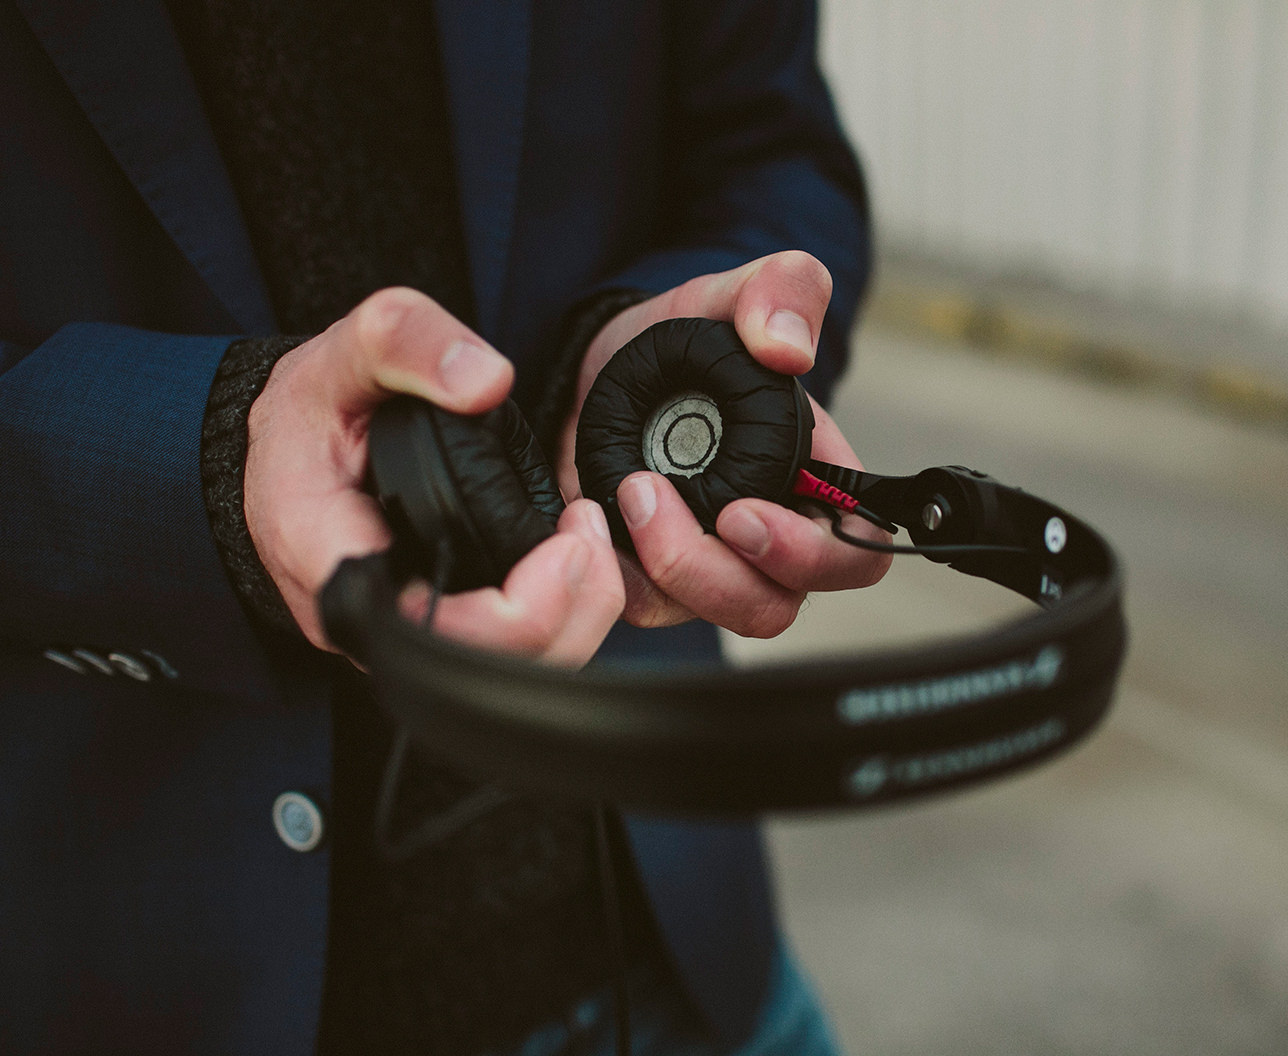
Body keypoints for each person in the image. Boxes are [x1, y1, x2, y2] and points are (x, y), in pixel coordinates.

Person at [0, 2, 886, 1054]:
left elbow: (770, 145)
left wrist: (685, 351)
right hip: (139, 993)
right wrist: (204, 474)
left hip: (685, 972)